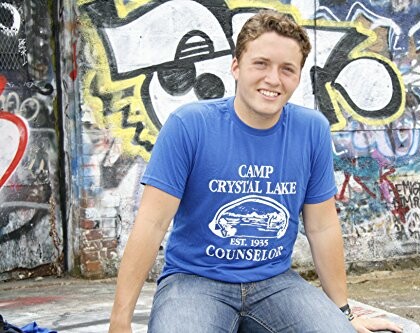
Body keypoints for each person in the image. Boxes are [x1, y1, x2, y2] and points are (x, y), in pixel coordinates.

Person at [109, 10, 404, 333]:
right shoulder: (190, 125)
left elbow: (322, 227)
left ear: (298, 76)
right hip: (194, 281)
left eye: (287, 69)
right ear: (236, 66)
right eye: (260, 64)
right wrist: (120, 321)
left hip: (274, 282)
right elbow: (152, 224)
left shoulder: (311, 130)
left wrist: (343, 315)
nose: (273, 79)